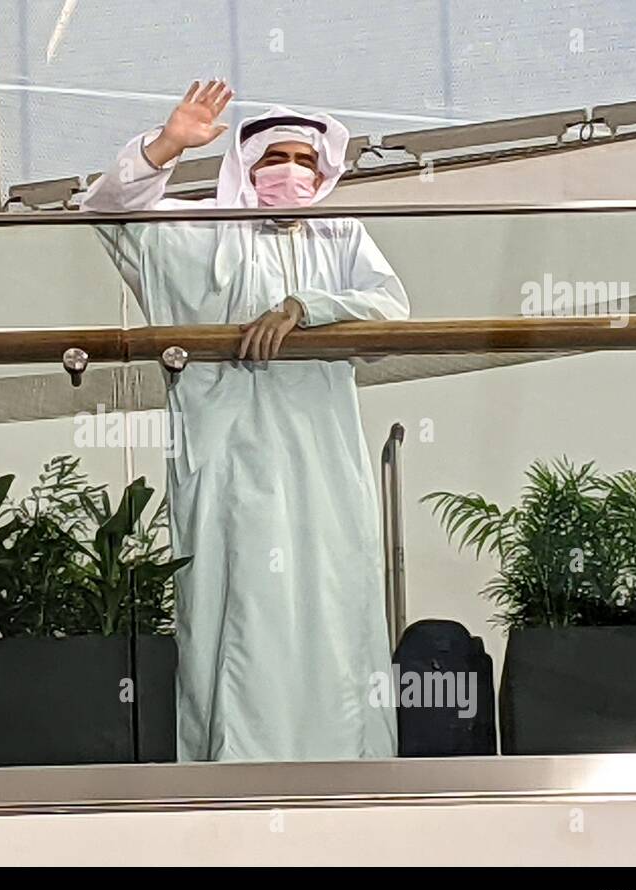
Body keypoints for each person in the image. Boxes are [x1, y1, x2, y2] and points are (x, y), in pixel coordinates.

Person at [83, 81, 410, 762]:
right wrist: (169, 144)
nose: (290, 170)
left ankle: (347, 776)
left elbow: (391, 315)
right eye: (274, 157)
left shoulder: (340, 235)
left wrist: (305, 307)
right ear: (247, 165)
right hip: (228, 469)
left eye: (304, 159)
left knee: (332, 610)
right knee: (240, 621)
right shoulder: (197, 235)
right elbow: (108, 211)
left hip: (325, 468)